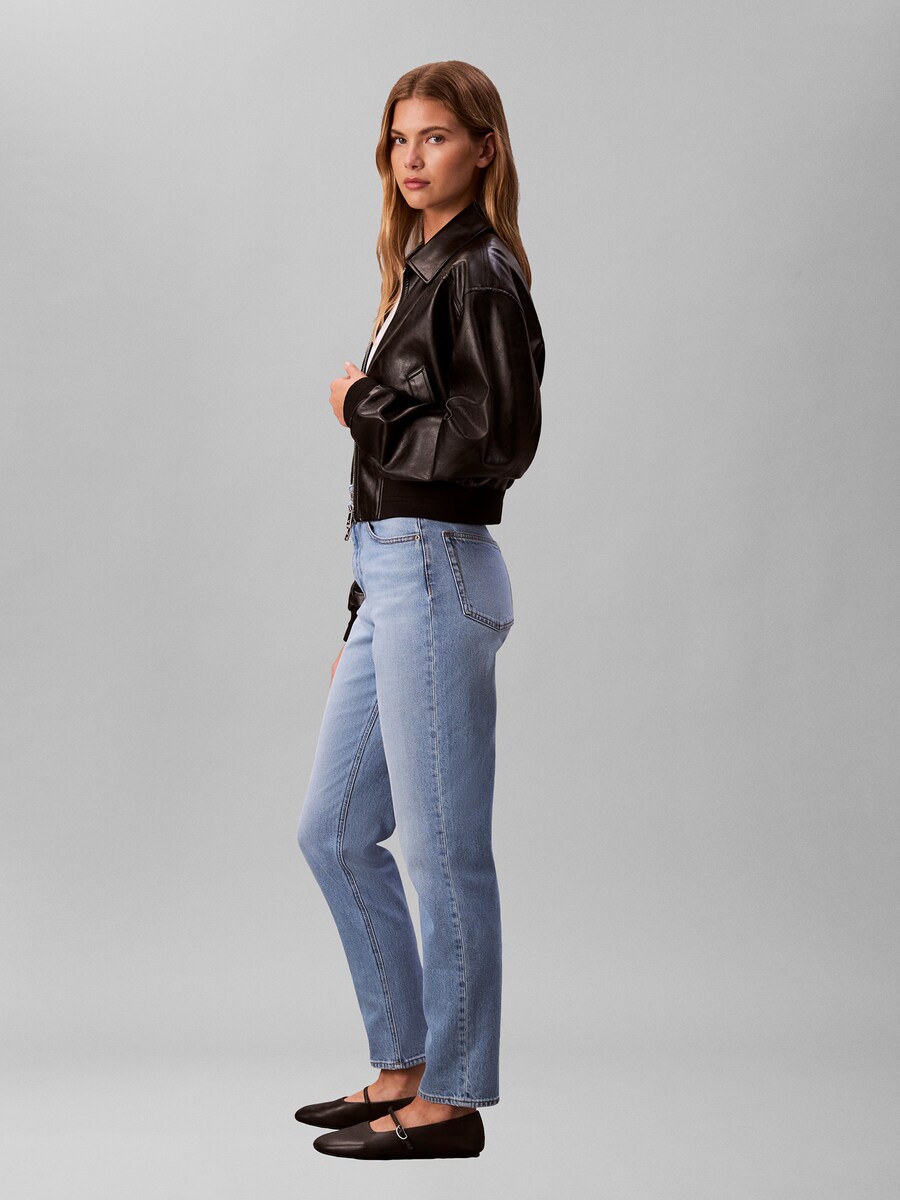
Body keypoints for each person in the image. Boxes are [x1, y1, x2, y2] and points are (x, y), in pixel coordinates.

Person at [295, 59, 545, 1161]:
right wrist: (363, 603)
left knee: (444, 850)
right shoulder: (421, 269)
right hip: (395, 577)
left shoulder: (479, 272)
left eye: (436, 136)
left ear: (483, 149)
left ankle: (449, 1099)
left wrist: (366, 403)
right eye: (400, 138)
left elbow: (497, 442)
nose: (412, 156)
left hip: (437, 569)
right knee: (335, 831)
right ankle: (402, 1063)